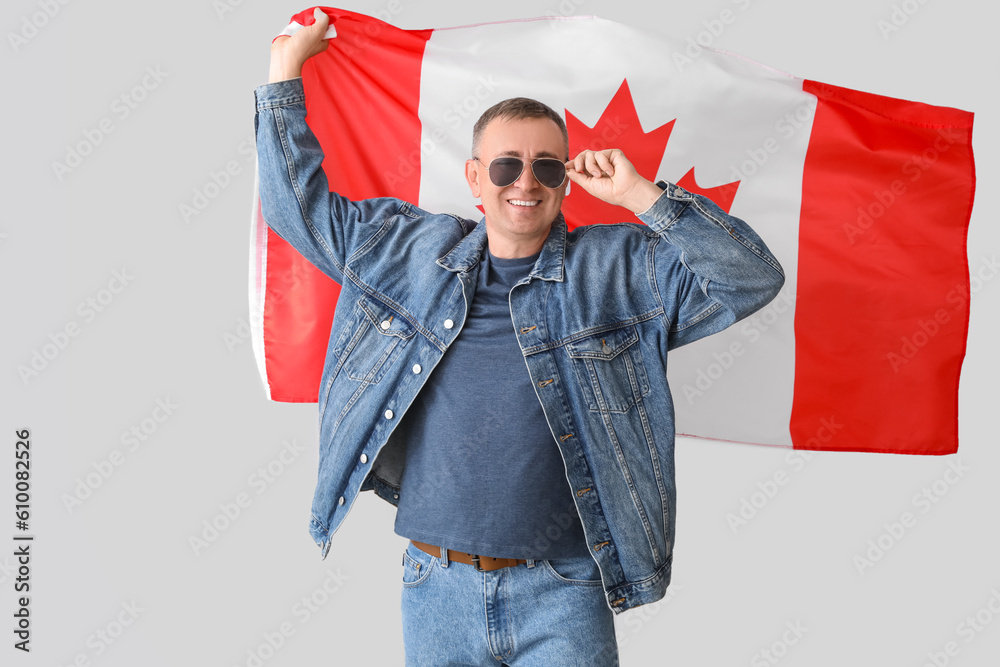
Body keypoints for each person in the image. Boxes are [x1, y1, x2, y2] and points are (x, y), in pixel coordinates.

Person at [256, 9, 784, 666]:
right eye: (506, 166)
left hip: (563, 588)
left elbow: (750, 280)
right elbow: (297, 210)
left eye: (546, 167)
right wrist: (285, 70)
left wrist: (641, 194)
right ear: (476, 179)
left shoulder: (618, 268)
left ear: (566, 179)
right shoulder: (408, 251)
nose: (525, 182)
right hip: (435, 585)